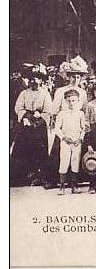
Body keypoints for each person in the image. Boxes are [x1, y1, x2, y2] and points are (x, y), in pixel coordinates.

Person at [44, 56, 88, 189]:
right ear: (68, 77)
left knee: (77, 153)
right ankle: (54, 180)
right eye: (73, 77)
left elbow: (84, 109)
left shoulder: (83, 92)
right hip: (63, 123)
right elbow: (54, 109)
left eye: (78, 77)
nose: (75, 80)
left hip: (76, 123)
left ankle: (75, 181)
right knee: (59, 153)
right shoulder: (60, 91)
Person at [11, 72, 52, 186]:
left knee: (39, 149)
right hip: (26, 123)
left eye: (37, 79)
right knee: (24, 148)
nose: (34, 81)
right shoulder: (24, 93)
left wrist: (41, 117)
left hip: (39, 124)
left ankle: (39, 176)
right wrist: (25, 116)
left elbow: (48, 109)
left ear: (41, 81)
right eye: (32, 79)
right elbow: (18, 108)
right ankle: (24, 176)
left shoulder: (45, 94)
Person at [54, 89, 85, 195]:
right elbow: (57, 129)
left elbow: (84, 128)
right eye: (69, 101)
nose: (71, 103)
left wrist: (80, 138)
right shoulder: (62, 114)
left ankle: (74, 186)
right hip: (66, 142)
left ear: (77, 101)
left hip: (77, 142)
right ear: (65, 101)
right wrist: (63, 137)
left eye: (73, 101)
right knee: (64, 162)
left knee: (75, 162)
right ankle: (62, 186)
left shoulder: (80, 113)